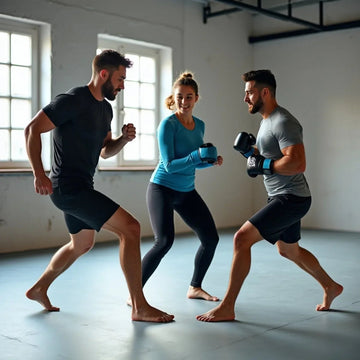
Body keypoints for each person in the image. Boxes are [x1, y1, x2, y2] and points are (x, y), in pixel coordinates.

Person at [24, 49, 174, 323]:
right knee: (131, 228)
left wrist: (122, 140)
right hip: (68, 188)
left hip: (81, 186)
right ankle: (139, 307)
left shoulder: (105, 109)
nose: (122, 85)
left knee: (81, 243)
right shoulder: (72, 100)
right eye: (120, 79)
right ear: (103, 74)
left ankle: (39, 288)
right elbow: (32, 129)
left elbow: (105, 151)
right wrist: (38, 173)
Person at [196, 69, 343, 322]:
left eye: (249, 92)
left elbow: (297, 163)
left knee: (241, 239)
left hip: (291, 197)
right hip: (283, 196)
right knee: (289, 250)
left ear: (265, 92)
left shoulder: (283, 121)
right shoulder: (267, 121)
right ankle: (331, 286)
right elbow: (272, 157)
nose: (245, 99)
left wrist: (263, 166)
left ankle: (227, 306)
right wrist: (250, 152)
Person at [140, 71, 223, 302]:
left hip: (186, 191)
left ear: (196, 98)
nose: (184, 102)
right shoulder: (168, 125)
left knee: (211, 239)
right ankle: (135, 292)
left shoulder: (200, 125)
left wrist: (210, 162)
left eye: (188, 97)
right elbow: (169, 166)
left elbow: (192, 165)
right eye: (179, 97)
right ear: (173, 98)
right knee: (164, 241)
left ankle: (195, 287)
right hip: (162, 188)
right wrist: (197, 156)